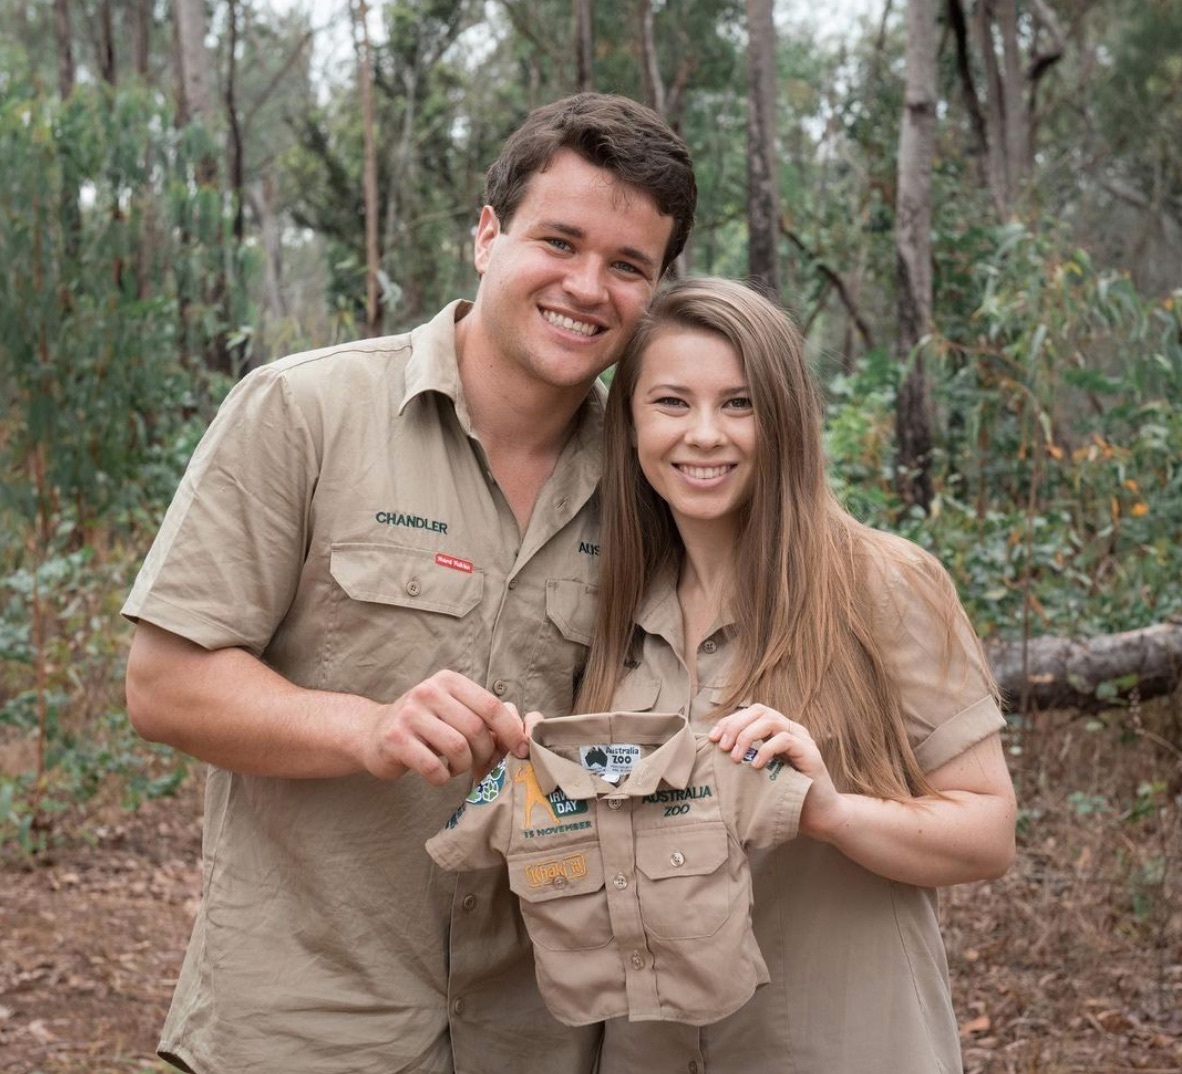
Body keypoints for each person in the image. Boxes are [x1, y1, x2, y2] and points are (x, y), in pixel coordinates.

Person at [121, 93, 696, 1074]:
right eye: (559, 241)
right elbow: (163, 683)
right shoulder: (305, 413)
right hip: (304, 1027)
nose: (588, 286)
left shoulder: (659, 480)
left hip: (538, 1037)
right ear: (486, 235)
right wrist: (368, 728)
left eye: (628, 265)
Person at [575, 276, 1018, 1073]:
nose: (705, 435)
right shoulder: (614, 607)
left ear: (783, 419)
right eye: (671, 403)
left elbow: (987, 835)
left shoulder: (883, 583)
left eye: (739, 403)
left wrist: (829, 813)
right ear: (630, 423)